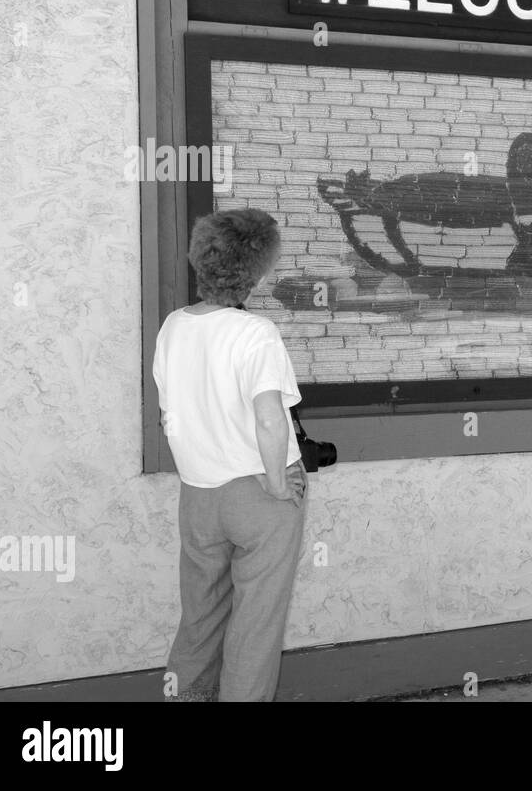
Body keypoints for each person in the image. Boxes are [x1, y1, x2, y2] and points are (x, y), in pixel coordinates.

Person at [152, 208, 307, 702]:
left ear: (201, 260)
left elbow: (169, 414)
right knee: (255, 627)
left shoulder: (173, 326)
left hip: (197, 494)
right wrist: (279, 486)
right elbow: (268, 419)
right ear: (257, 271)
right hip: (257, 493)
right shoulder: (255, 332)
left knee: (199, 616)